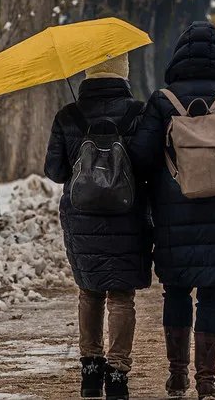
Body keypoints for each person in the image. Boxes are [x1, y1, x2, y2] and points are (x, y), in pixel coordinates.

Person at [130, 22, 215, 399]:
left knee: (175, 292)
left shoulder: (163, 101)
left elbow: (140, 159)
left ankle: (177, 376)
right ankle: (206, 381)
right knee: (213, 296)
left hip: (173, 214)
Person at [44, 53, 150, 400]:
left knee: (89, 292)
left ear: (88, 71)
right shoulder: (138, 113)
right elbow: (149, 165)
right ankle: (118, 374)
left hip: (81, 218)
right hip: (128, 216)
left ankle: (90, 374)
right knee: (121, 296)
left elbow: (55, 171)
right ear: (124, 72)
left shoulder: (68, 115)